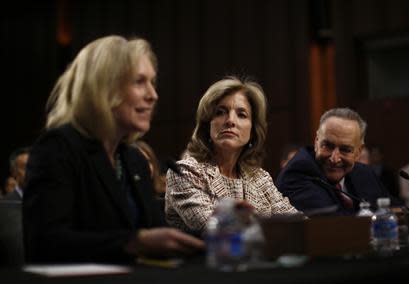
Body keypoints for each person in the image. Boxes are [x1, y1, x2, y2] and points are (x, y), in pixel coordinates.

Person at [23, 35, 204, 264]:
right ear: (103, 87)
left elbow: (160, 234)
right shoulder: (57, 149)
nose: (153, 95)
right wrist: (134, 242)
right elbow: (45, 242)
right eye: (139, 82)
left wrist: (223, 230)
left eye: (152, 82)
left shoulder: (133, 159)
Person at [165, 77, 301, 236]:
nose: (230, 121)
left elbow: (298, 224)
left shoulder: (260, 178)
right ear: (207, 124)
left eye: (241, 114)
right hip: (205, 260)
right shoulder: (185, 173)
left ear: (252, 130)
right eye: (220, 112)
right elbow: (215, 228)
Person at [276, 108, 395, 215]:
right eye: (328, 146)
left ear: (358, 152)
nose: (334, 158)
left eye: (345, 150)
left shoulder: (364, 173)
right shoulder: (296, 173)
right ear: (316, 142)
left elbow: (394, 208)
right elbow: (335, 224)